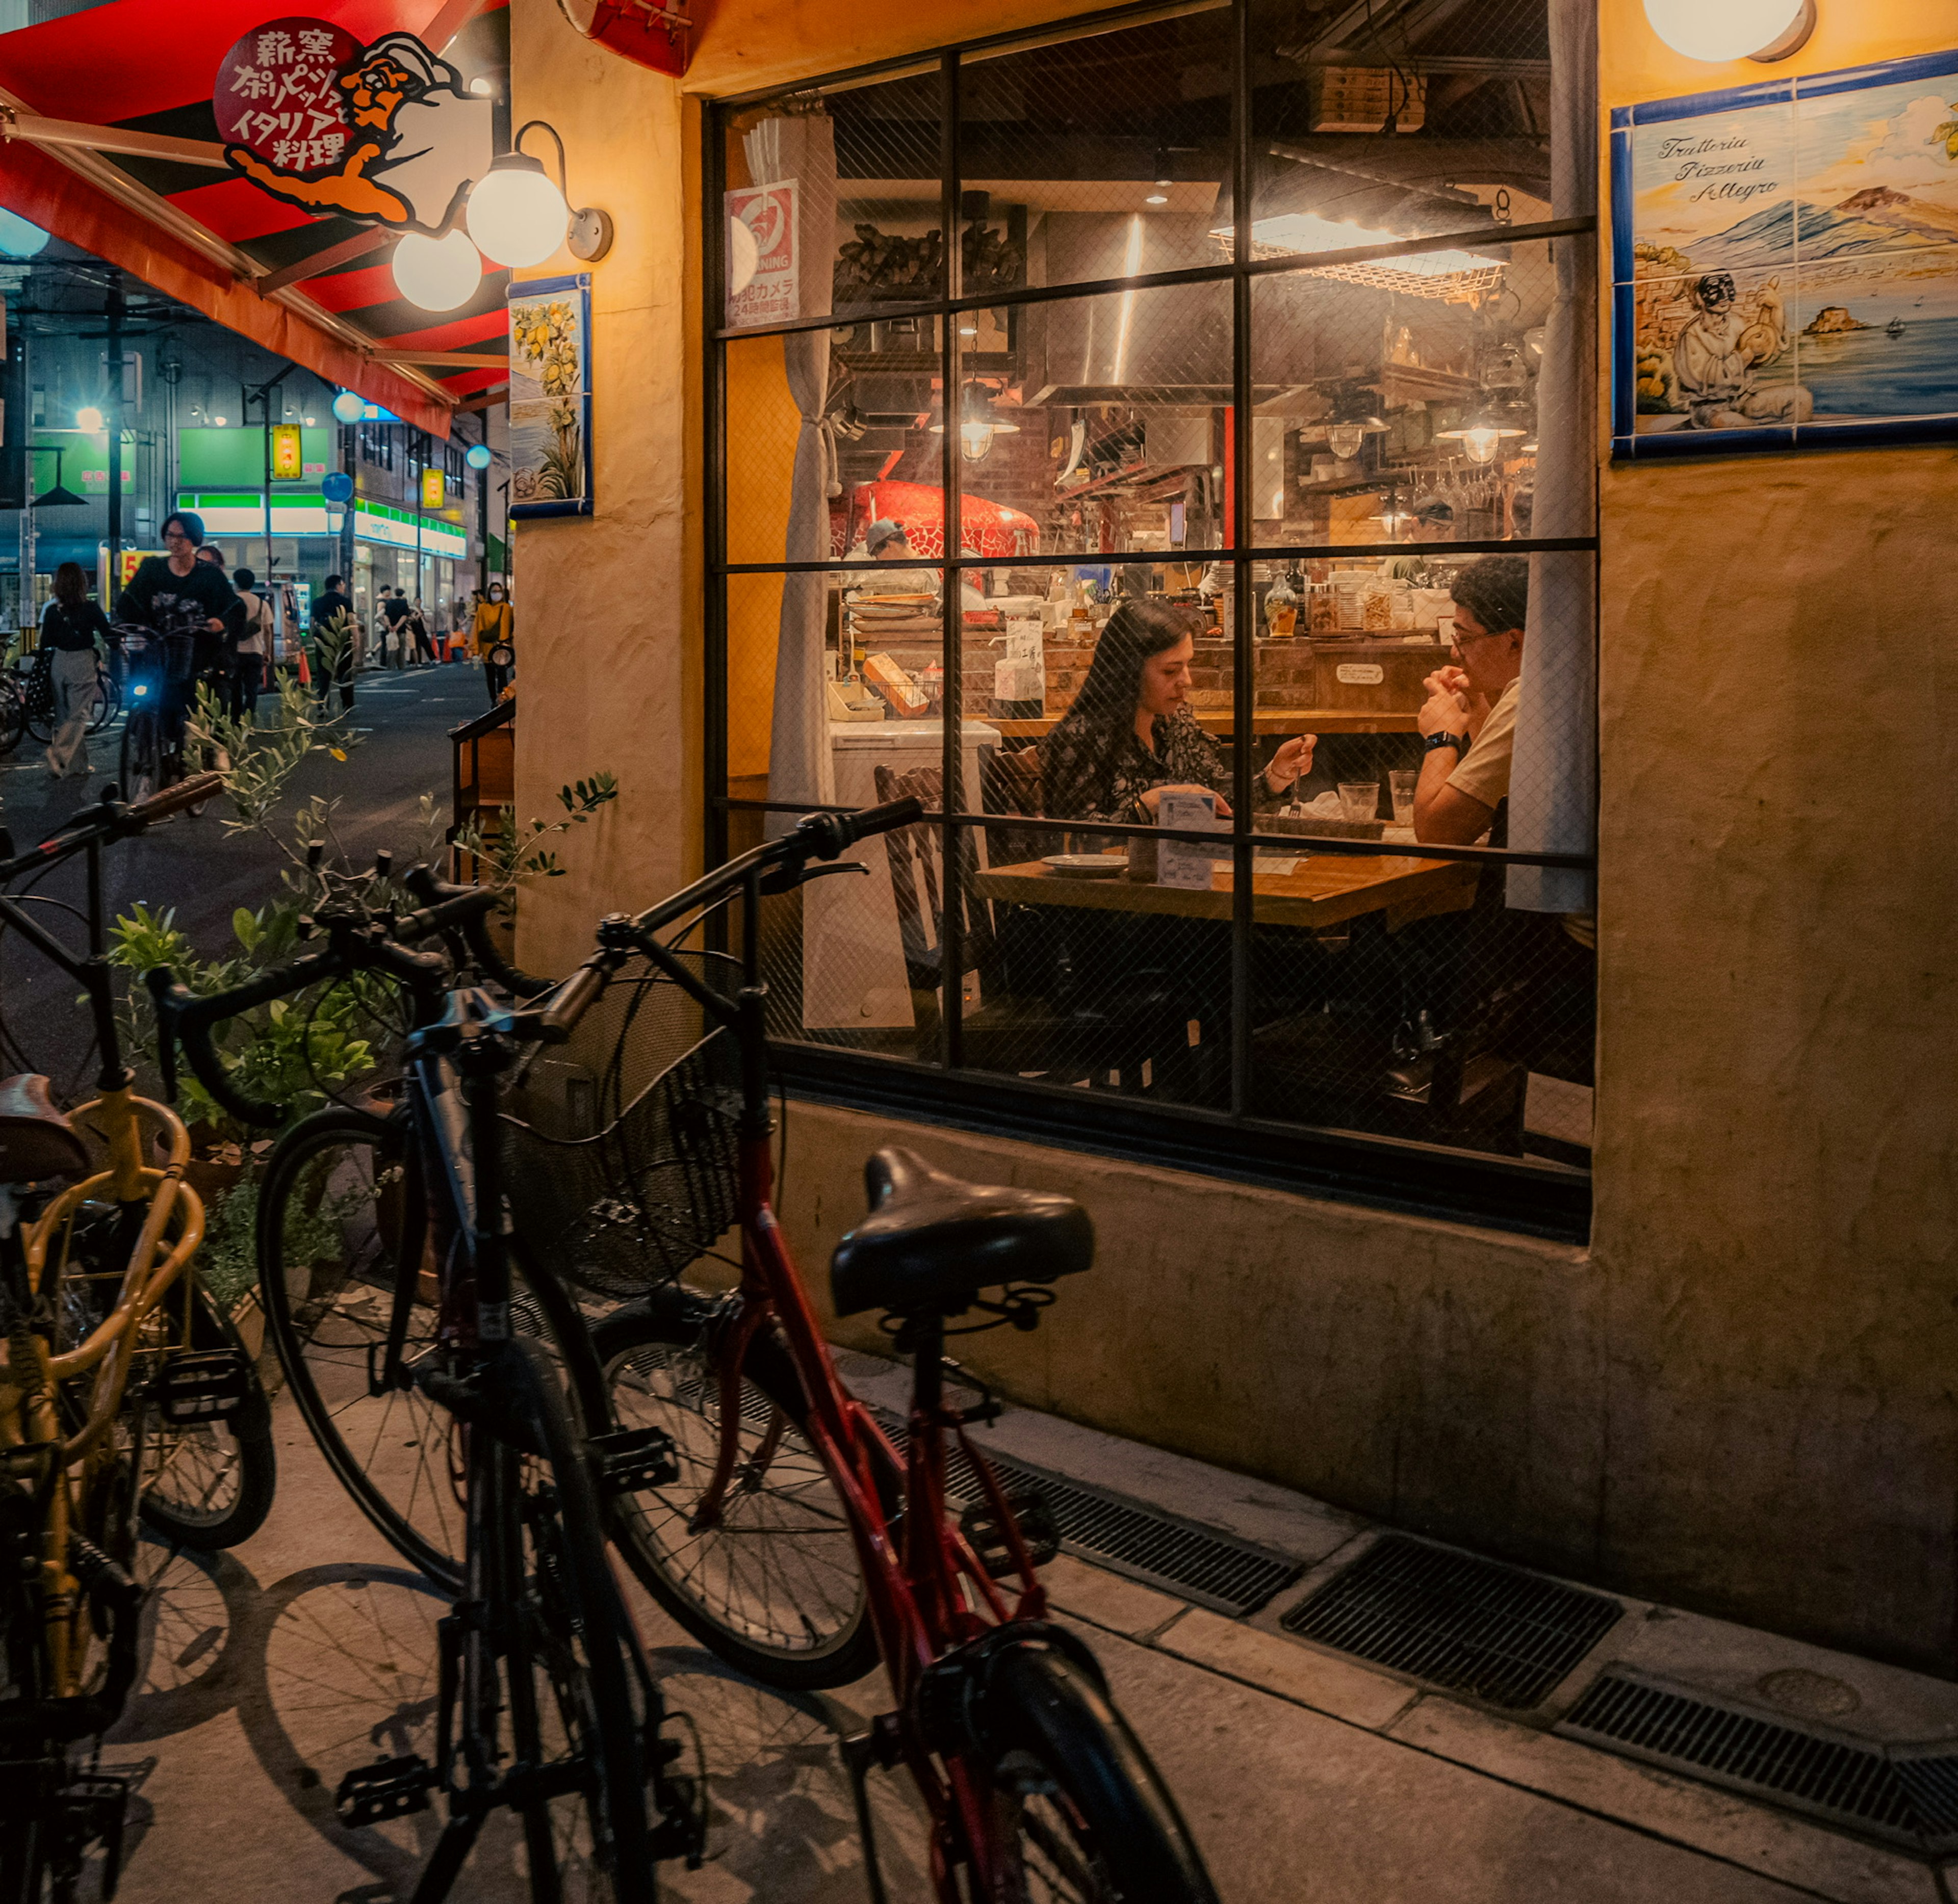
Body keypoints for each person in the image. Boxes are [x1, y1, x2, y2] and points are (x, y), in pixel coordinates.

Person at [1043, 599, 1313, 823]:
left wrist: (1276, 776)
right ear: (1129, 671)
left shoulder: (1174, 724)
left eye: (1187, 665)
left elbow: (1215, 800)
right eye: (1171, 670)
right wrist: (1152, 803)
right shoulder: (1081, 738)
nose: (1187, 680)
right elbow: (1072, 841)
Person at [1413, 556, 1529, 846]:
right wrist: (1475, 702)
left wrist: (1442, 735)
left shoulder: (1528, 700)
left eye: (1464, 638)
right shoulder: (1548, 681)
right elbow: (1487, 790)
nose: (1455, 653)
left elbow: (1436, 833)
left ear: (1513, 641)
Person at [116, 510, 242, 758]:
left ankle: (210, 746)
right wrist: (130, 627)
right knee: (143, 693)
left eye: (181, 536)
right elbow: (128, 603)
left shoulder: (209, 575)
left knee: (199, 699)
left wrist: (220, 622)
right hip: (155, 650)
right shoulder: (152, 569)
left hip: (195, 654)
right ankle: (145, 748)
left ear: (195, 539)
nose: (174, 541)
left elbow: (235, 608)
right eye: (170, 535)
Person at [40, 561, 109, 779]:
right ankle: (58, 755)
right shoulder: (90, 608)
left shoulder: (52, 611)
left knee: (64, 717)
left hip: (58, 662)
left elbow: (45, 643)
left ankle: (77, 765)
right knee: (79, 715)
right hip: (81, 661)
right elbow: (108, 634)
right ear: (82, 583)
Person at [229, 565, 274, 721]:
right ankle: (248, 720)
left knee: (235, 688)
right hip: (255, 652)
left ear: (236, 583)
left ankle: (235, 721)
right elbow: (268, 631)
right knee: (252, 689)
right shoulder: (262, 604)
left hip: (235, 652)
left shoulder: (231, 601)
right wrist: (267, 652)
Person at [310, 570, 357, 713]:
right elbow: (350, 621)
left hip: (324, 641)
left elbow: (313, 623)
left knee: (323, 674)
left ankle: (323, 705)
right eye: (342, 585)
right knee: (345, 673)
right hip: (343, 641)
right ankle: (348, 705)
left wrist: (317, 639)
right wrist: (356, 639)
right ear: (338, 586)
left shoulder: (317, 602)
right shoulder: (345, 601)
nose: (343, 587)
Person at [472, 581, 513, 701]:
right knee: (490, 676)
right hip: (488, 648)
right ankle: (493, 700)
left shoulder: (507, 609)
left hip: (502, 647)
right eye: (494, 591)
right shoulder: (483, 609)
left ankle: (502, 699)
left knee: (502, 675)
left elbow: (512, 628)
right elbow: (477, 629)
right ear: (489, 593)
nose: (497, 594)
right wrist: (475, 649)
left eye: (499, 591)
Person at [381, 585, 413, 670]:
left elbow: (386, 615)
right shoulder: (404, 603)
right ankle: (401, 666)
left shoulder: (389, 603)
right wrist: (397, 627)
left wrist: (389, 626)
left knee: (391, 648)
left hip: (391, 630)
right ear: (403, 594)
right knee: (401, 649)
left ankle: (390, 666)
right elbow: (404, 616)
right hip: (401, 630)